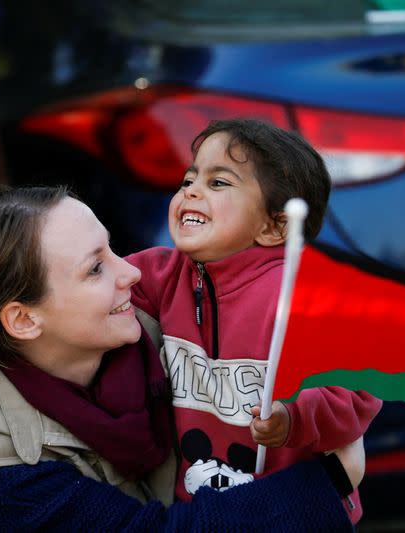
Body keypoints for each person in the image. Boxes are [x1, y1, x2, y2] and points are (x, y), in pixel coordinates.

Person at [0, 186, 360, 531]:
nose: (132, 271)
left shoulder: (165, 336)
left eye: (111, 248)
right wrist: (329, 481)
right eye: (96, 267)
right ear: (23, 320)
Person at [126, 119, 382, 524]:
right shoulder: (164, 273)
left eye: (218, 183)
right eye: (189, 178)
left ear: (275, 226)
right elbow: (96, 291)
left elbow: (359, 392)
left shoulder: (301, 299)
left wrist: (292, 416)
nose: (191, 190)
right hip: (198, 510)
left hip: (293, 512)